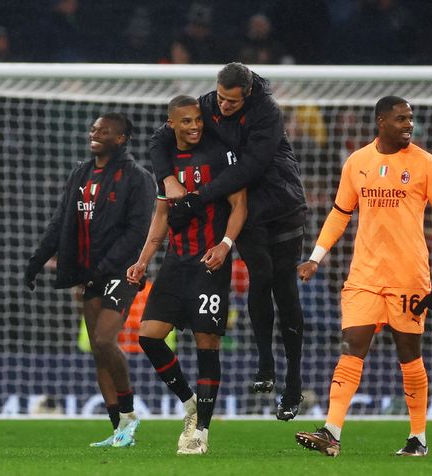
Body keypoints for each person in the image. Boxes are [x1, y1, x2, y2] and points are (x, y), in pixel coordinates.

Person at [294, 96, 432, 457]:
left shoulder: (424, 163)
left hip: (408, 275)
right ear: (380, 121)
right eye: (401, 119)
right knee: (352, 346)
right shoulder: (357, 162)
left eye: (411, 119)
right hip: (364, 275)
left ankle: (418, 438)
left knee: (409, 354)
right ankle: (331, 432)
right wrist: (315, 257)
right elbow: (340, 213)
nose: (409, 125)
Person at [149, 62, 307, 420]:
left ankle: (293, 382)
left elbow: (249, 168)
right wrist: (166, 178)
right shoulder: (208, 103)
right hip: (246, 210)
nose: (223, 107)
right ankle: (265, 362)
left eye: (232, 102)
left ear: (247, 94)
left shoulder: (267, 113)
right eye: (220, 98)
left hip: (282, 204)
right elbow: (161, 136)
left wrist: (199, 197)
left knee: (285, 288)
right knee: (260, 275)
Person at [24, 112, 155, 448]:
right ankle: (119, 432)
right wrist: (37, 259)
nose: (94, 133)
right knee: (98, 352)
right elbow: (60, 221)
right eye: (94, 128)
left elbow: (138, 230)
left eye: (104, 130)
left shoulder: (136, 177)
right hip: (89, 271)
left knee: (104, 339)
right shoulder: (81, 173)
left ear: (121, 138)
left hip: (122, 271)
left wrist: (107, 265)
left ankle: (129, 417)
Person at [128, 95, 247, 455]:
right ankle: (189, 402)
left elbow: (240, 205)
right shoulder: (166, 164)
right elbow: (161, 218)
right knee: (148, 337)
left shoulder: (219, 154)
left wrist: (226, 245)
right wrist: (143, 259)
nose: (195, 126)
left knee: (206, 344)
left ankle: (202, 433)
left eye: (198, 119)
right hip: (175, 263)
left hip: (210, 261)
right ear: (171, 125)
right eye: (186, 122)